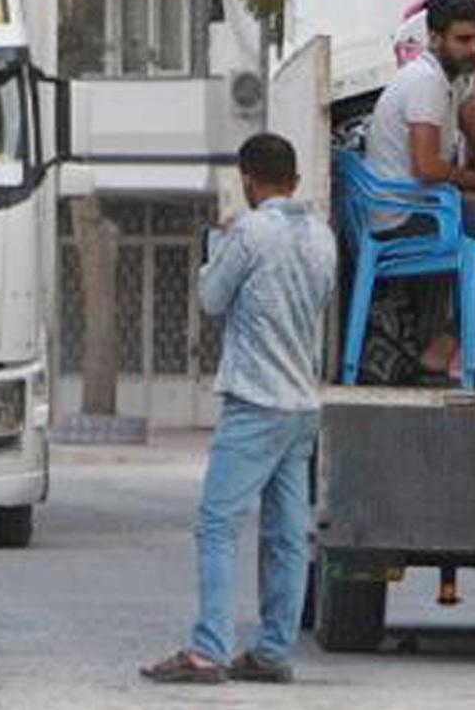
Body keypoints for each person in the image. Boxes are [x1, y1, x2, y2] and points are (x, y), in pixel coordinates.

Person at [141, 133, 338, 685]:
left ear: (248, 180)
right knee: (287, 533)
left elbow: (211, 299)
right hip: (302, 403)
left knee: (217, 525)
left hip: (256, 401)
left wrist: (217, 243)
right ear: (294, 181)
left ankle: (208, 649)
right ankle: (273, 651)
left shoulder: (250, 232)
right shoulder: (323, 236)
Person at [364, 0, 475, 383]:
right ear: (436, 39)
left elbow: (472, 122)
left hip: (432, 206)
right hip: (408, 214)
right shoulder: (425, 81)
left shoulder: (453, 77)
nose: (474, 48)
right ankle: (466, 349)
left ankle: (449, 345)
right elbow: (427, 167)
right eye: (463, 39)